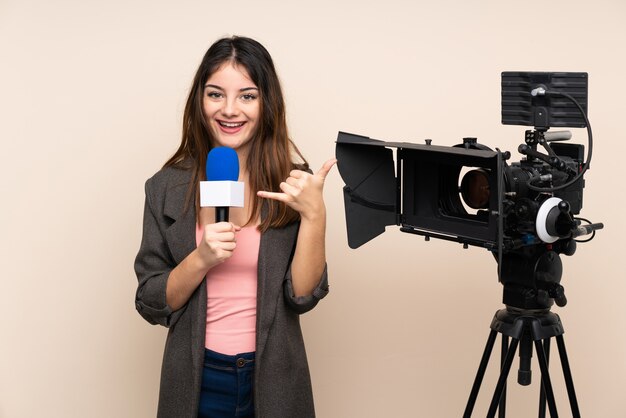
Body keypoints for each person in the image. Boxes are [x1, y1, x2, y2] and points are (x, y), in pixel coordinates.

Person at [134, 36, 335, 418]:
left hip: (274, 378)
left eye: (247, 96)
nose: (229, 110)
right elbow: (151, 301)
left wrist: (314, 215)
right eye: (215, 94)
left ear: (266, 103)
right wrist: (201, 259)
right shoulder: (164, 188)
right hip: (197, 380)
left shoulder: (295, 184)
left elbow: (302, 296)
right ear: (200, 101)